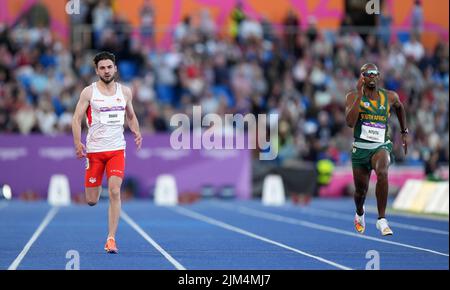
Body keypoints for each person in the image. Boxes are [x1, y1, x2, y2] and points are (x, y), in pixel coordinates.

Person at [72, 51, 142, 253]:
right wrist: (78, 143)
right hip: (94, 152)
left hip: (116, 150)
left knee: (114, 191)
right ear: (96, 70)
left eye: (109, 67)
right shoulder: (89, 92)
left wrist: (136, 130)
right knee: (92, 200)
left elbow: (131, 116)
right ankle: (96, 185)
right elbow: (76, 119)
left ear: (115, 68)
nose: (106, 71)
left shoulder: (125, 92)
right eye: (102, 68)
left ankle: (111, 238)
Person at [345, 63, 408, 236]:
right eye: (368, 73)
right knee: (360, 192)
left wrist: (404, 132)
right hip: (361, 148)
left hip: (381, 145)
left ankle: (382, 219)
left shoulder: (389, 96)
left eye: (374, 73)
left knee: (382, 172)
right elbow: (350, 122)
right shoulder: (352, 96)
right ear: (362, 76)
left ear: (379, 76)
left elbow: (400, 107)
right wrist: (359, 95)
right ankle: (359, 213)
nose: (371, 76)